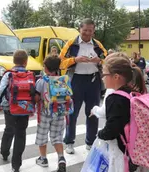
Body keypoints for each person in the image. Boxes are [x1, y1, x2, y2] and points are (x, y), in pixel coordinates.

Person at [60, 18, 107, 153]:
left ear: (94, 31)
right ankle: (69, 142)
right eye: (85, 30)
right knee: (72, 112)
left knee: (92, 112)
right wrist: (75, 59)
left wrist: (100, 61)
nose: (87, 33)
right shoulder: (71, 43)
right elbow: (61, 62)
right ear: (80, 29)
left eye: (90, 31)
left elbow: (108, 60)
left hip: (93, 81)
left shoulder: (98, 45)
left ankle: (90, 142)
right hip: (76, 80)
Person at [97, 52, 147, 171]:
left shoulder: (114, 98)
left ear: (116, 77)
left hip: (120, 151)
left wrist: (100, 134)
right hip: (133, 149)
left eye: (104, 74)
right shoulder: (131, 92)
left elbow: (112, 130)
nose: (102, 78)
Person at [0, 50, 30, 172]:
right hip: (24, 109)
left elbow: (1, 89)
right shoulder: (29, 75)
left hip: (9, 107)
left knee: (9, 129)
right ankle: (16, 165)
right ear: (26, 62)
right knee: (21, 134)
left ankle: (4, 152)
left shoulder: (8, 74)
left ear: (14, 61)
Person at [35, 55, 66, 172]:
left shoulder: (41, 81)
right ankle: (61, 159)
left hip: (44, 113)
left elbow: (37, 98)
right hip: (59, 112)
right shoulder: (62, 80)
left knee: (42, 136)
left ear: (46, 68)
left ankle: (43, 159)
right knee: (57, 137)